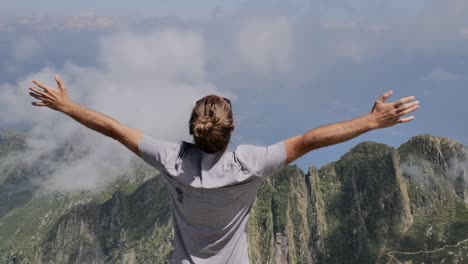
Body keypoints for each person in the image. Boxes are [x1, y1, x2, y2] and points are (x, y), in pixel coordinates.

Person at [29, 75, 419, 263]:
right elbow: (311, 140)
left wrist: (66, 106)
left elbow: (115, 130)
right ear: (231, 129)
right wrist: (370, 122)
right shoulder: (250, 165)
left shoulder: (172, 161)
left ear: (192, 129)